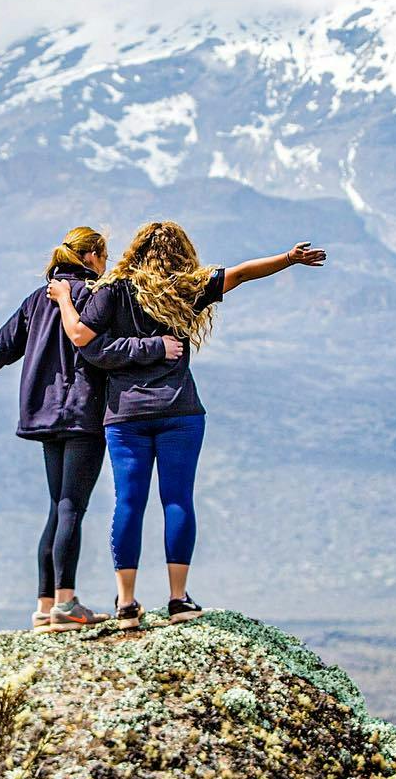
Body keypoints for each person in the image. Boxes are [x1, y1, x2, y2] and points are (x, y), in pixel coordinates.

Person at [49, 221, 325, 625]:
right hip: (180, 411)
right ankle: (178, 600)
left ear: (136, 251)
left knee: (129, 502)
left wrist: (64, 300)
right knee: (177, 499)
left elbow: (84, 339)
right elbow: (244, 272)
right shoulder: (185, 288)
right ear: (181, 252)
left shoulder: (111, 290)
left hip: (125, 416)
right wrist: (289, 258)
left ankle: (126, 603)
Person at [0, 226, 180, 630]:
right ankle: (66, 605)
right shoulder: (97, 297)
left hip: (44, 414)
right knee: (71, 508)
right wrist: (156, 347)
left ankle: (45, 605)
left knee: (57, 507)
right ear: (94, 255)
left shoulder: (37, 300)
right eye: (105, 256)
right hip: (82, 414)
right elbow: (102, 351)